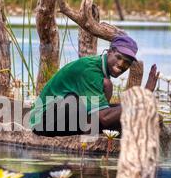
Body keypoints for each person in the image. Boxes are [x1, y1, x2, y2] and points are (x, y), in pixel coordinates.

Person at [29, 34, 159, 137]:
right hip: (42, 122)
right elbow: (105, 117)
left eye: (127, 63)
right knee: (79, 104)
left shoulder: (102, 72)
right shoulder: (90, 69)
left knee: (110, 91)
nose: (121, 64)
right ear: (109, 52)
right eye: (119, 57)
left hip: (64, 115)